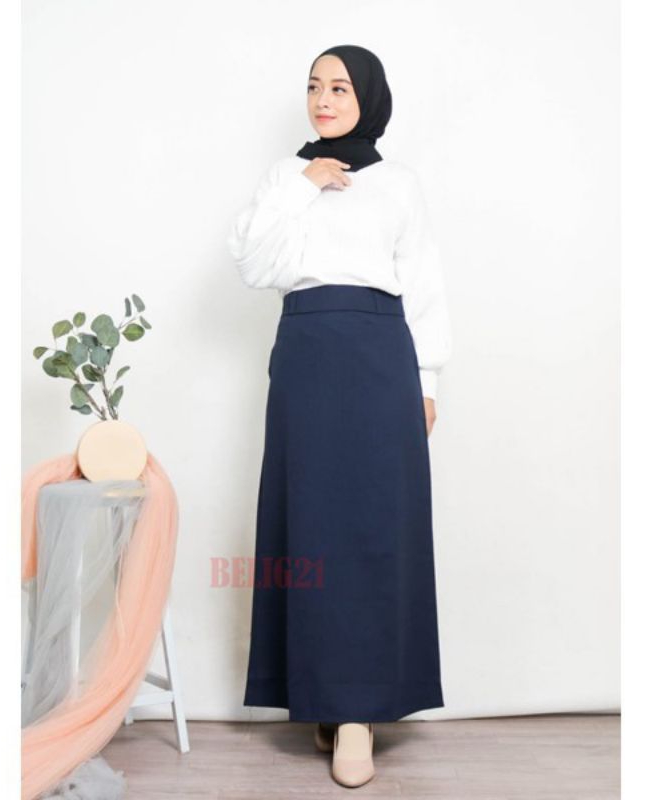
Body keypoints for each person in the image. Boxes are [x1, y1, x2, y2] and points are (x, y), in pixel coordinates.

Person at [227, 43, 453, 788]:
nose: (324, 100)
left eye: (341, 88)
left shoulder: (399, 184)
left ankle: (359, 712)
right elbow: (253, 265)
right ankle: (324, 696)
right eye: (315, 87)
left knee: (375, 529)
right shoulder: (285, 177)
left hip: (382, 361)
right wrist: (303, 186)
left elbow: (422, 283)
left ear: (369, 99)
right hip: (306, 359)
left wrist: (426, 380)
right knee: (311, 526)